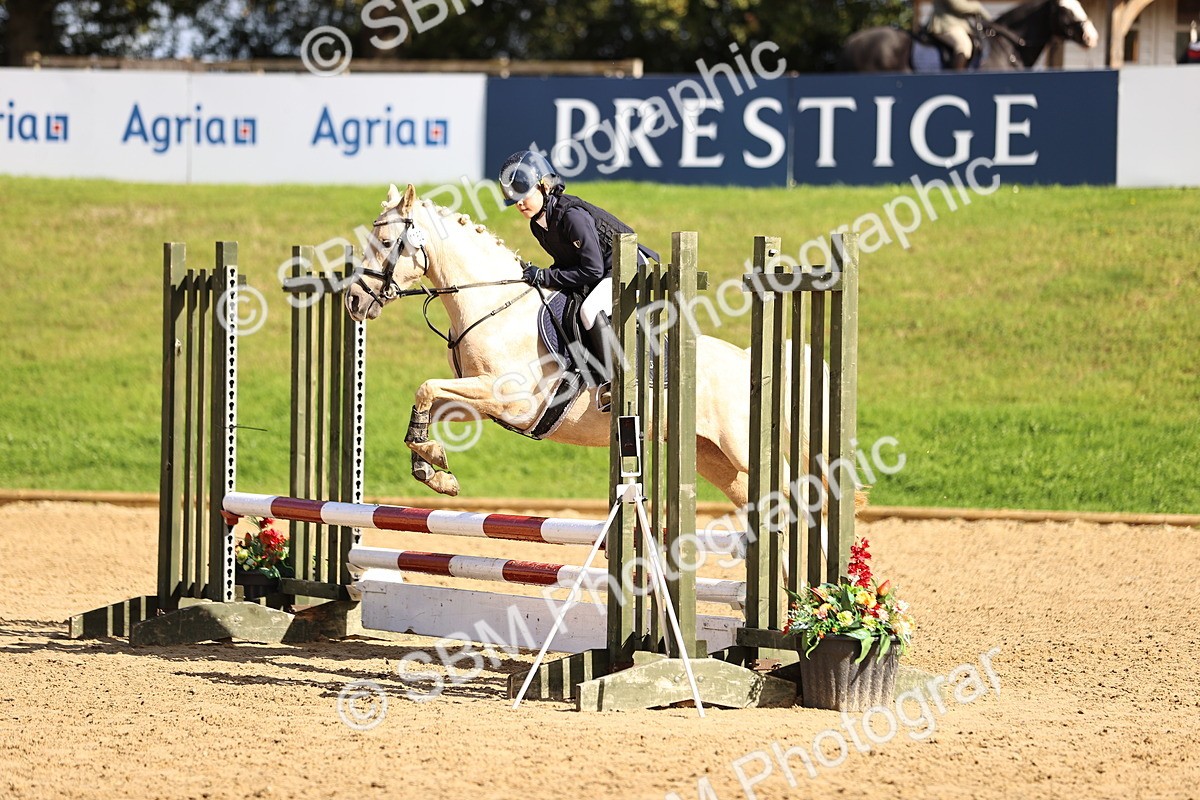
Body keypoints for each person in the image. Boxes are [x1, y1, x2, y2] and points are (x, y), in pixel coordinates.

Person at [498, 149, 658, 410]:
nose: (519, 204)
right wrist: (541, 277)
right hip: (601, 271)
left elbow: (591, 270)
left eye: (524, 195)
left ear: (543, 186)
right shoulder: (538, 224)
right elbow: (569, 264)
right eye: (515, 200)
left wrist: (546, 275)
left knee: (589, 310)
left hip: (628, 268)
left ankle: (614, 383)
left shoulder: (571, 216)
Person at [927, 0, 991, 69]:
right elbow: (958, 6)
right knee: (964, 45)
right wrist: (977, 7)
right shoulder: (976, 7)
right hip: (946, 24)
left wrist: (990, 22)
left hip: (960, 24)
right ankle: (957, 77)